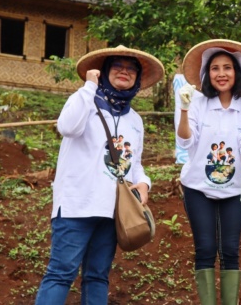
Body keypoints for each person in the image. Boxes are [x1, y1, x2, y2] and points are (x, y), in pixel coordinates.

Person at [35, 46, 164, 304]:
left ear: (137, 78)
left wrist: (144, 183)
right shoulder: (84, 100)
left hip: (111, 210)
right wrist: (88, 87)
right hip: (76, 206)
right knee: (61, 273)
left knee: (97, 276)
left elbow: (134, 163)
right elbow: (67, 127)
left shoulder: (135, 120)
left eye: (131, 69)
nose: (124, 72)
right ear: (104, 71)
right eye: (117, 66)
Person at [176, 39, 241, 305]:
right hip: (197, 187)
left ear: (236, 73)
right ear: (207, 74)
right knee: (205, 249)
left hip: (234, 187)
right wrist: (183, 109)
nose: (221, 73)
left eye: (228, 67)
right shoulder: (197, 103)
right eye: (215, 68)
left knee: (229, 251)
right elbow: (185, 141)